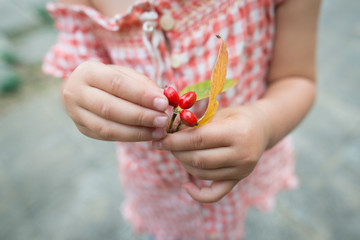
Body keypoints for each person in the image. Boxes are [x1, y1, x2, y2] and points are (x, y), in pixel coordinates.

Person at [43, 0, 321, 239]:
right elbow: (74, 73)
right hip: (157, 183)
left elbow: (297, 78)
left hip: (243, 162)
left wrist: (264, 123)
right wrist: (80, 94)